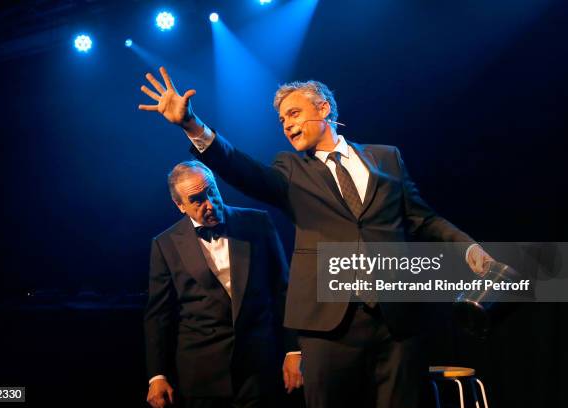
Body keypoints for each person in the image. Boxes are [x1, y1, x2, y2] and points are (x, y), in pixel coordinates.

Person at [139, 67, 494, 408]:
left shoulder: (386, 158)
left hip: (397, 321)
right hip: (329, 326)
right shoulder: (290, 170)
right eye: (282, 120)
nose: (287, 124)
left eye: (294, 113)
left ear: (323, 108)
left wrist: (471, 251)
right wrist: (191, 124)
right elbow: (241, 168)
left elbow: (424, 219)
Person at [144, 160, 302, 408]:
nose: (210, 203)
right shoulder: (165, 244)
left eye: (211, 191)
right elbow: (158, 316)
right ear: (180, 206)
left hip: (258, 368)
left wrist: (293, 350)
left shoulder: (258, 224)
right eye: (197, 199)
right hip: (201, 374)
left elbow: (283, 290)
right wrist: (157, 375)